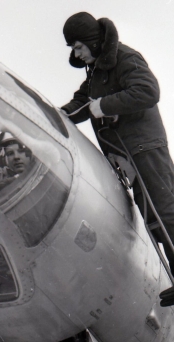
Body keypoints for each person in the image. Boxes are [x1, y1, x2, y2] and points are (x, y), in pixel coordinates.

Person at [61, 12, 174, 282]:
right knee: (152, 217)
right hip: (127, 155)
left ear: (93, 41)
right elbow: (84, 100)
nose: (77, 55)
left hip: (144, 146)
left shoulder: (125, 58)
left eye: (79, 46)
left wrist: (104, 105)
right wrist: (61, 114)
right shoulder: (97, 71)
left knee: (165, 208)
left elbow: (148, 91)